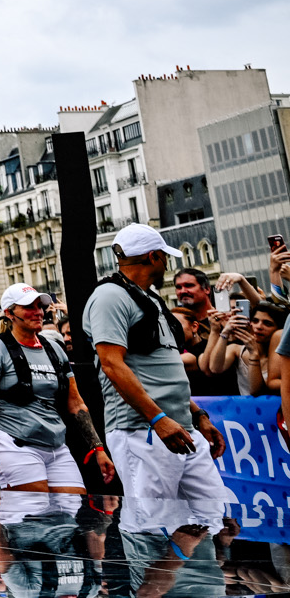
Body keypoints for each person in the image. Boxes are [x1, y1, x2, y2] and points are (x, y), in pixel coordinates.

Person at [82, 224, 234, 531]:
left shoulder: (149, 299)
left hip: (178, 428)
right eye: (164, 257)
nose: (166, 264)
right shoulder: (110, 296)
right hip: (142, 431)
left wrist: (198, 415)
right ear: (153, 257)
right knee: (152, 527)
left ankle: (200, 578)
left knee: (212, 518)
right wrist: (158, 419)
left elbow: (162, 371)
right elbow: (112, 365)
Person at [0, 283, 114, 510]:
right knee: (32, 521)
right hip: (14, 445)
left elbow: (75, 403)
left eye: (40, 306)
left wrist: (98, 448)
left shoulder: (54, 349)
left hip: (56, 446)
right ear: (9, 313)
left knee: (73, 513)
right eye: (29, 307)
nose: (38, 312)